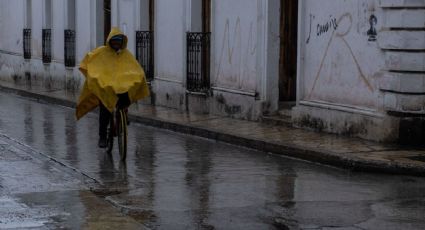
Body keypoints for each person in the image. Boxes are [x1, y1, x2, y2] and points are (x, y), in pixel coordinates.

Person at [76, 27, 150, 148]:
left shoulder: (126, 55)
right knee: (105, 110)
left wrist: (138, 77)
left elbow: (135, 69)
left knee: (126, 99)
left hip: (121, 88)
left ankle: (123, 115)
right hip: (106, 89)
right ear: (110, 41)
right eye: (114, 41)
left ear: (122, 42)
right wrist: (97, 79)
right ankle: (102, 137)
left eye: (118, 41)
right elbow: (92, 64)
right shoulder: (101, 53)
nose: (116, 44)